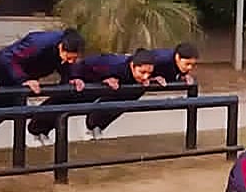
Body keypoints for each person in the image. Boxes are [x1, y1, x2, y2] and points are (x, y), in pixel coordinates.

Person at [0, 29, 85, 154]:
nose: (70, 62)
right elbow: (9, 57)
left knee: (6, 111)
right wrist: (23, 79)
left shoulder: (64, 51)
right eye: (69, 58)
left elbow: (65, 66)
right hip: (4, 73)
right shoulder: (38, 43)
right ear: (61, 47)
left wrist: (73, 78)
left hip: (22, 80)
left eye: (74, 59)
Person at [27, 48, 158, 144]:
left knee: (123, 98)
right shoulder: (113, 64)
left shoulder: (142, 72)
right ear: (132, 66)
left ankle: (94, 126)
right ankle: (36, 131)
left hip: (99, 86)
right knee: (65, 101)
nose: (146, 76)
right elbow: (84, 65)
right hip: (81, 76)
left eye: (149, 73)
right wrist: (77, 78)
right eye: (142, 72)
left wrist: (156, 78)